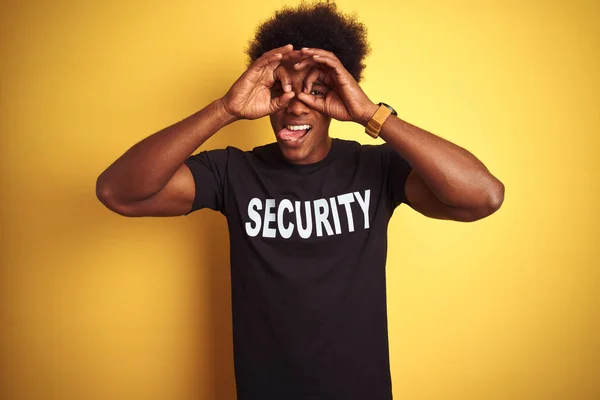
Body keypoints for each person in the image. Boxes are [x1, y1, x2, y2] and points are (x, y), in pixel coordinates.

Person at [96, 1, 504, 399]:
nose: (295, 105)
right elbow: (119, 192)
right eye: (280, 88)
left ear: (337, 99)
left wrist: (369, 115)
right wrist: (225, 109)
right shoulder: (231, 173)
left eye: (316, 90)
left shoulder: (376, 168)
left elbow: (482, 196)